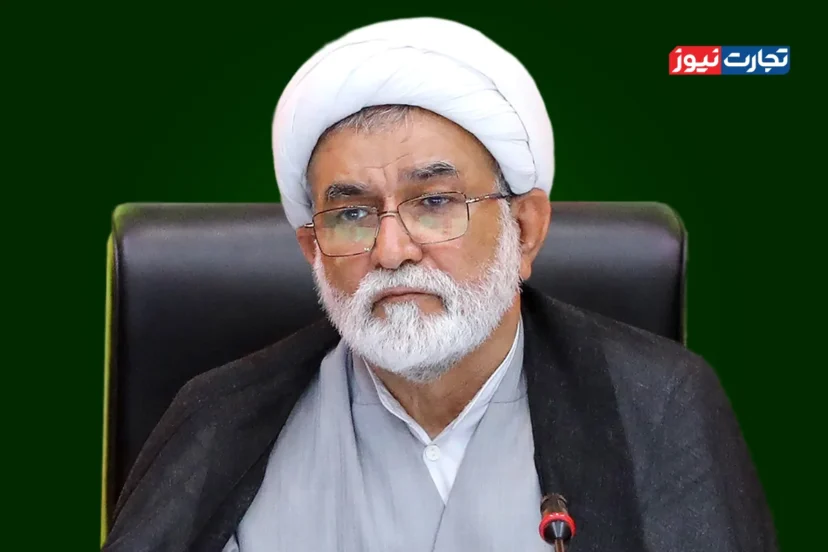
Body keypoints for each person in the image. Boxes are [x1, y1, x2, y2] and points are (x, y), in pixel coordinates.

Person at [101, 17, 777, 552]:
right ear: (313, 249)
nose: (392, 251)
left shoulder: (658, 405)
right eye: (352, 214)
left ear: (525, 229)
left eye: (434, 203)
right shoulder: (216, 422)